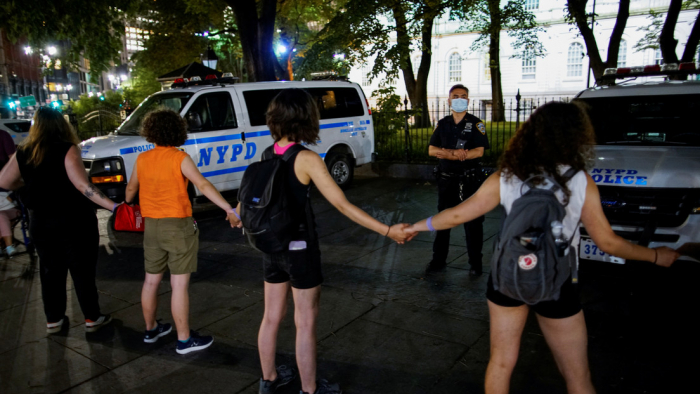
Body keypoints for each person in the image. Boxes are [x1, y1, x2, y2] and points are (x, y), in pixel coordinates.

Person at [406, 101, 680, 394]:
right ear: (576, 137)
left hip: (507, 277)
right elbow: (607, 242)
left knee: (500, 363)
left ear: (531, 133)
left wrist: (412, 227)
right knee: (577, 377)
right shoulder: (579, 181)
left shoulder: (508, 176)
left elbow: (458, 214)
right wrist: (655, 255)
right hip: (558, 280)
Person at [230, 89, 411, 394]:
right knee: (305, 323)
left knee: (271, 317)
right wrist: (387, 230)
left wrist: (235, 214)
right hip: (299, 250)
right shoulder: (307, 158)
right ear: (306, 118)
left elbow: (245, 205)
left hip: (271, 249)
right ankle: (310, 390)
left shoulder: (266, 153)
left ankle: (269, 379)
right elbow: (342, 205)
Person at [125, 108, 239, 354]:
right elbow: (203, 184)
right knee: (178, 286)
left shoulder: (142, 159)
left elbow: (130, 190)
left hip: (151, 226)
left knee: (150, 281)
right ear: (178, 130)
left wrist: (131, 199)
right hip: (177, 225)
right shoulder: (179, 158)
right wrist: (228, 208)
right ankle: (184, 340)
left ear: (150, 131)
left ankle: (151, 329)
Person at [0, 107, 118, 334]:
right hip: (74, 220)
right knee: (81, 269)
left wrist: (27, 186)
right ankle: (92, 317)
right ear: (62, 125)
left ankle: (54, 319)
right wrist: (114, 207)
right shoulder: (67, 148)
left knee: (50, 271)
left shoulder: (24, 151)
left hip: (41, 222)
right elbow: (83, 186)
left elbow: (5, 181)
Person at [426, 84, 489, 276]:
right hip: (447, 181)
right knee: (443, 220)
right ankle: (438, 260)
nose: (459, 99)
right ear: (449, 100)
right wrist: (455, 153)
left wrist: (446, 154)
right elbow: (431, 150)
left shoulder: (477, 124)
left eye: (463, 96)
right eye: (455, 96)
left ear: (468, 101)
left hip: (470, 181)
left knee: (473, 223)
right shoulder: (443, 124)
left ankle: (475, 264)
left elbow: (478, 151)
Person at [0, 191, 21, 257]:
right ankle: (9, 247)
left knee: (1, 216)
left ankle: (8, 246)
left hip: (12, 209)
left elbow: (11, 199)